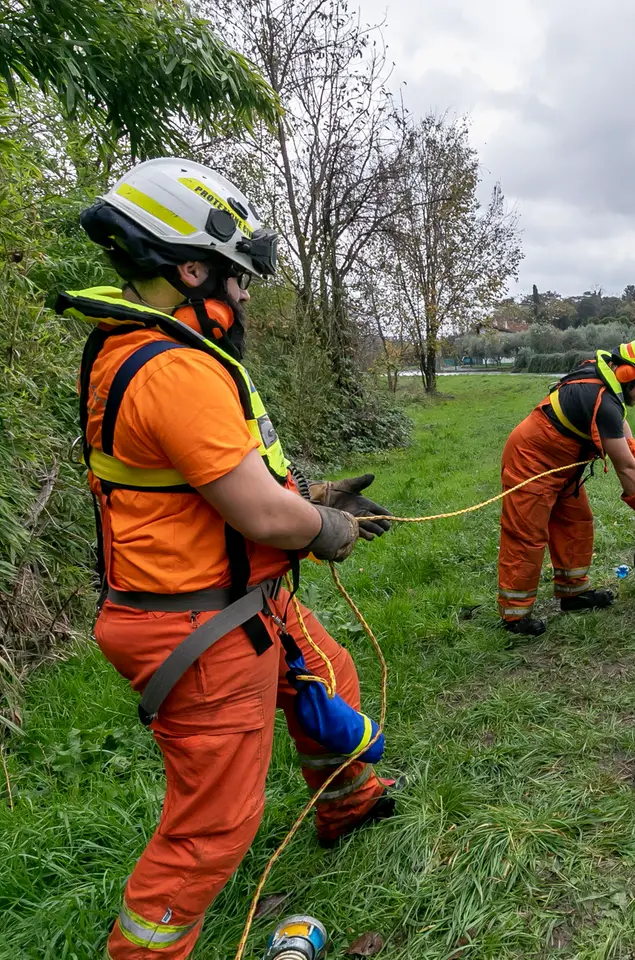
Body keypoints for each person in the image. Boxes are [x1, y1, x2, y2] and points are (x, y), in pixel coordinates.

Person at [59, 158, 396, 958]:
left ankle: (347, 803)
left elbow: (220, 484)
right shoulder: (174, 368)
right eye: (237, 277)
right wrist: (326, 528)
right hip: (201, 631)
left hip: (245, 603)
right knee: (215, 824)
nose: (244, 295)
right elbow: (255, 510)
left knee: (331, 674)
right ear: (189, 266)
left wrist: (312, 496)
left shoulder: (148, 351)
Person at [497, 338, 635, 636]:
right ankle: (514, 616)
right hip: (531, 461)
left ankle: (573, 593)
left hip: (564, 465)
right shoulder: (601, 397)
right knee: (527, 535)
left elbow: (620, 431)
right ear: (629, 374)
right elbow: (624, 467)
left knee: (577, 523)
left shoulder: (607, 387)